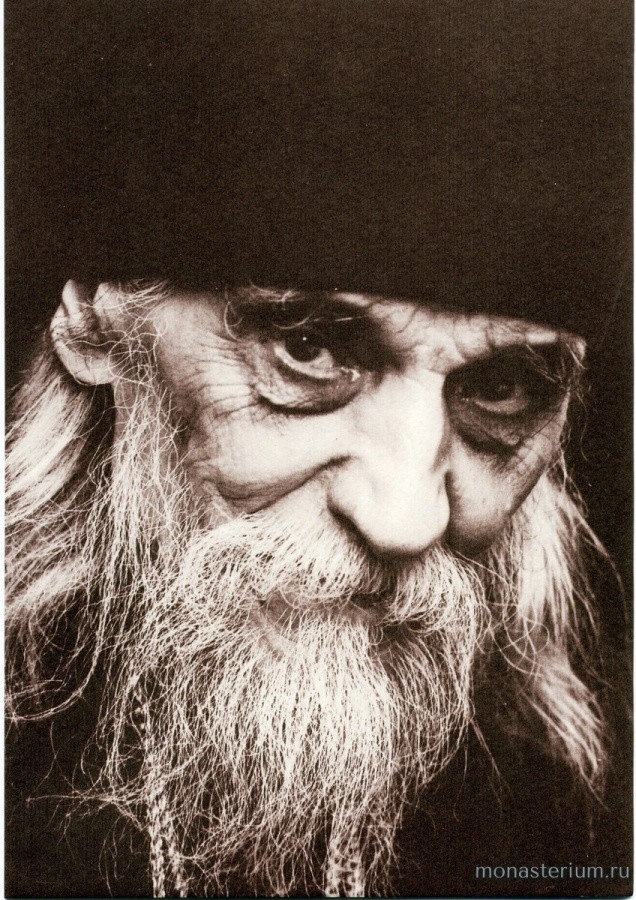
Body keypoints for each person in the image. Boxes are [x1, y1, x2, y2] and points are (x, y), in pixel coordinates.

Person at [5, 2, 631, 897]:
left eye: (501, 389)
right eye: (308, 348)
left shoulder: (586, 807)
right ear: (98, 322)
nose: (405, 517)